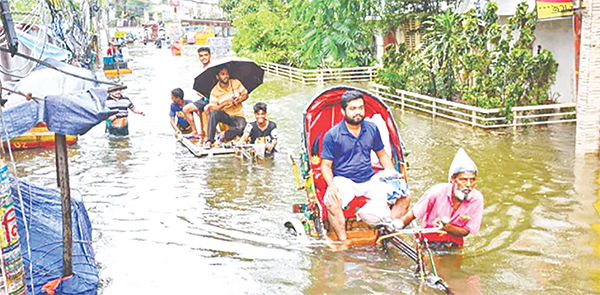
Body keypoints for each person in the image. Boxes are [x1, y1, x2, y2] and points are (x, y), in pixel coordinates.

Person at [321, 90, 410, 246]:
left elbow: (382, 155)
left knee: (404, 196)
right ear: (343, 111)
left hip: (369, 178)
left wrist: (393, 176)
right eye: (353, 109)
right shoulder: (332, 135)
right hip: (345, 180)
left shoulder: (371, 129)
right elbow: (325, 166)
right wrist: (332, 186)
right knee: (332, 201)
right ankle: (343, 240)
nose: (358, 112)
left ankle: (388, 233)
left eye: (361, 108)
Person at [394, 148, 484, 250]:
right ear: (452, 180)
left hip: (454, 244)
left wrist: (446, 227)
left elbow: (466, 231)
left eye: (472, 180)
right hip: (428, 241)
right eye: (463, 180)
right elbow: (413, 214)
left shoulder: (477, 199)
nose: (468, 185)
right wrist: (398, 226)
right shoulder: (436, 192)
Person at [204, 65, 248, 148]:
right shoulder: (215, 91)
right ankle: (209, 140)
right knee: (214, 114)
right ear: (218, 77)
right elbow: (213, 108)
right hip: (226, 115)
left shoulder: (235, 82)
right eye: (223, 74)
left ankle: (224, 134)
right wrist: (224, 103)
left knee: (242, 128)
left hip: (238, 115)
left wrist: (239, 100)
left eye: (227, 74)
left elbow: (245, 94)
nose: (226, 76)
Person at [182, 46, 212, 139]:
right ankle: (195, 131)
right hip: (205, 98)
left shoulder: (213, 69)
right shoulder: (202, 70)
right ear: (199, 58)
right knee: (186, 109)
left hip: (213, 99)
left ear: (210, 56)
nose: (204, 57)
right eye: (201, 56)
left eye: (206, 55)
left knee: (203, 109)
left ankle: (209, 133)